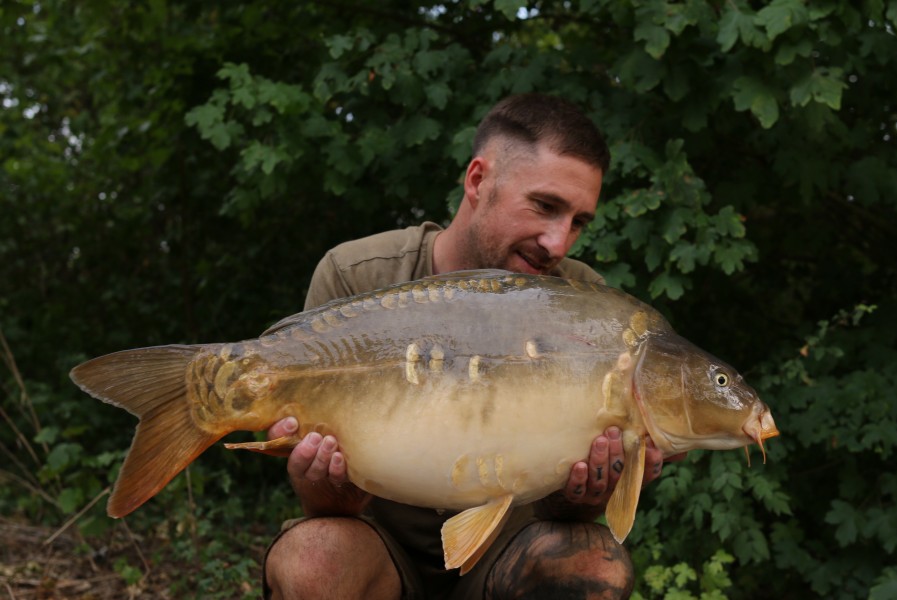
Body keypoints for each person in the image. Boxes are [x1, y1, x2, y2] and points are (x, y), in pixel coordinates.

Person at [263, 94, 672, 599]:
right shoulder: (357, 277)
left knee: (593, 564)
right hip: (381, 557)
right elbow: (324, 506)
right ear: (478, 181)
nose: (558, 243)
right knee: (315, 559)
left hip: (505, 560)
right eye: (545, 206)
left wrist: (593, 489)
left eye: (578, 222)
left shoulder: (584, 304)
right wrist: (326, 480)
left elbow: (564, 518)